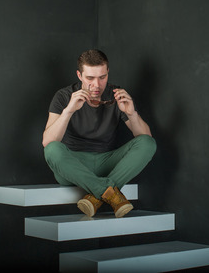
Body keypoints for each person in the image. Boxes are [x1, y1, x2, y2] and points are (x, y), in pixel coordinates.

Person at [42, 49, 156, 218]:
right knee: (52, 150)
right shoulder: (64, 96)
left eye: (102, 77)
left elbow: (145, 138)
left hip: (107, 163)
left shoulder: (116, 94)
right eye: (90, 78)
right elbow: (48, 142)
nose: (96, 85)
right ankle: (111, 194)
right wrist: (68, 111)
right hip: (74, 165)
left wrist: (131, 114)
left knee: (148, 143)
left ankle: (96, 196)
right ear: (79, 75)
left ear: (108, 73)